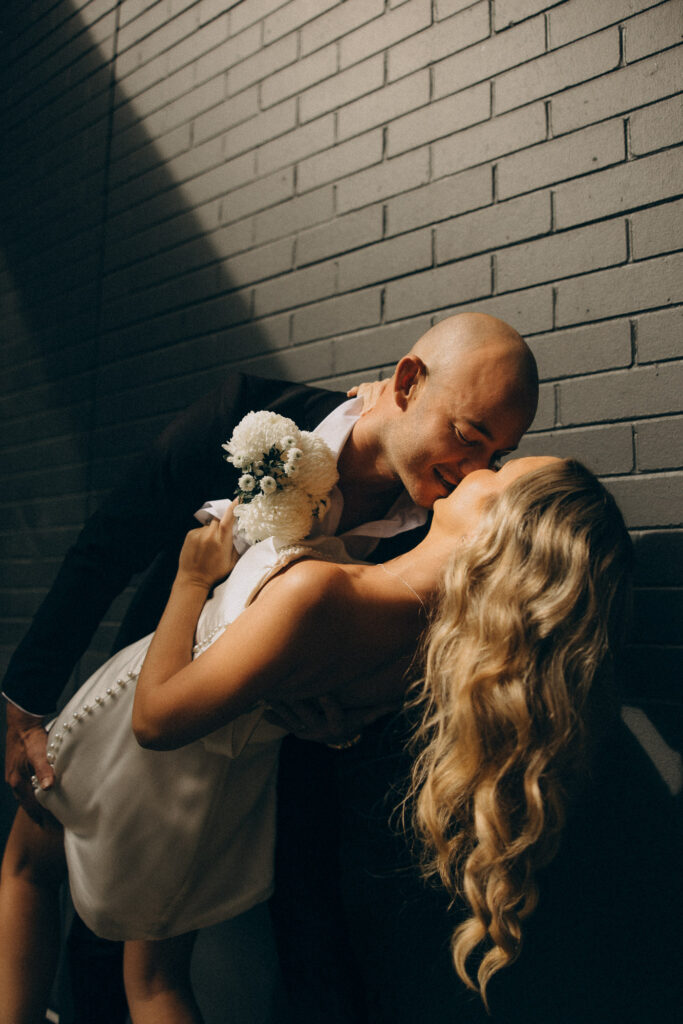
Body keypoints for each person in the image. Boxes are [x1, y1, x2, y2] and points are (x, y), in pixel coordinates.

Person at [2, 312, 539, 1019]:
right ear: (408, 383)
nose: (473, 470)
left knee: (270, 945)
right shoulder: (249, 414)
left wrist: (347, 724)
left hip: (270, 766)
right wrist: (26, 703)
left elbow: (420, 678)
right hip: (148, 689)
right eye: (468, 436)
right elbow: (108, 546)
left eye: (496, 456)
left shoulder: (448, 538)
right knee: (113, 947)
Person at [405, 458, 682, 1023]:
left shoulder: (612, 802)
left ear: (500, 559)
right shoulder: (619, 775)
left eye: (498, 474)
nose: (473, 474)